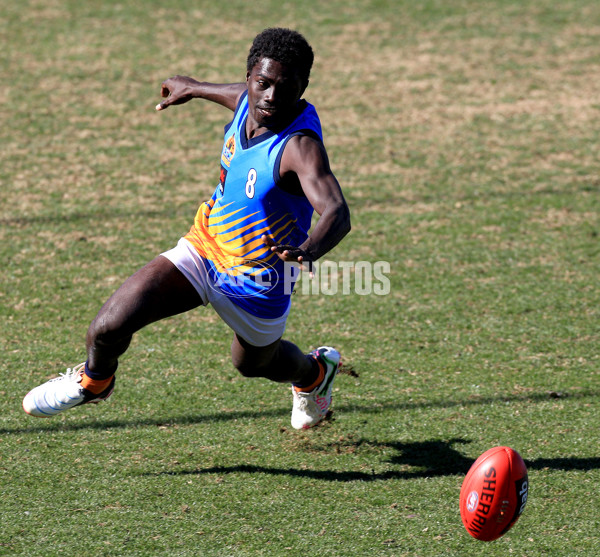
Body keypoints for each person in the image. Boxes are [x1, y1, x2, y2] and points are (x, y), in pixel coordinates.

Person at [22, 27, 351, 430]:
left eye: (286, 88)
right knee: (108, 327)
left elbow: (336, 210)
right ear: (250, 75)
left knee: (254, 364)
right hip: (203, 249)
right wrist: (193, 87)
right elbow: (235, 94)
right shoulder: (250, 102)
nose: (271, 97)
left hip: (258, 281)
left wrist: (309, 248)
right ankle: (94, 383)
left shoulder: (299, 146)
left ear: (303, 87)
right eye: (262, 83)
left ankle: (315, 375)